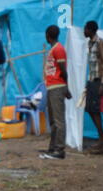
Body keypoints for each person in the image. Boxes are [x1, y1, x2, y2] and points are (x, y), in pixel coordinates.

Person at [39, 25, 72, 160]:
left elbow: (64, 71)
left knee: (58, 121)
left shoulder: (58, 49)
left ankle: (59, 149)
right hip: (51, 87)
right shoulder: (54, 49)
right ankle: (52, 148)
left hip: (57, 87)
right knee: (53, 120)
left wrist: (66, 88)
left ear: (47, 35)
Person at [84, 21, 103, 154]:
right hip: (91, 81)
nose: (84, 31)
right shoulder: (89, 43)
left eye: (85, 29)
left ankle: (102, 139)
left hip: (98, 81)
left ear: (91, 30)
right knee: (89, 109)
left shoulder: (100, 43)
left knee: (95, 110)